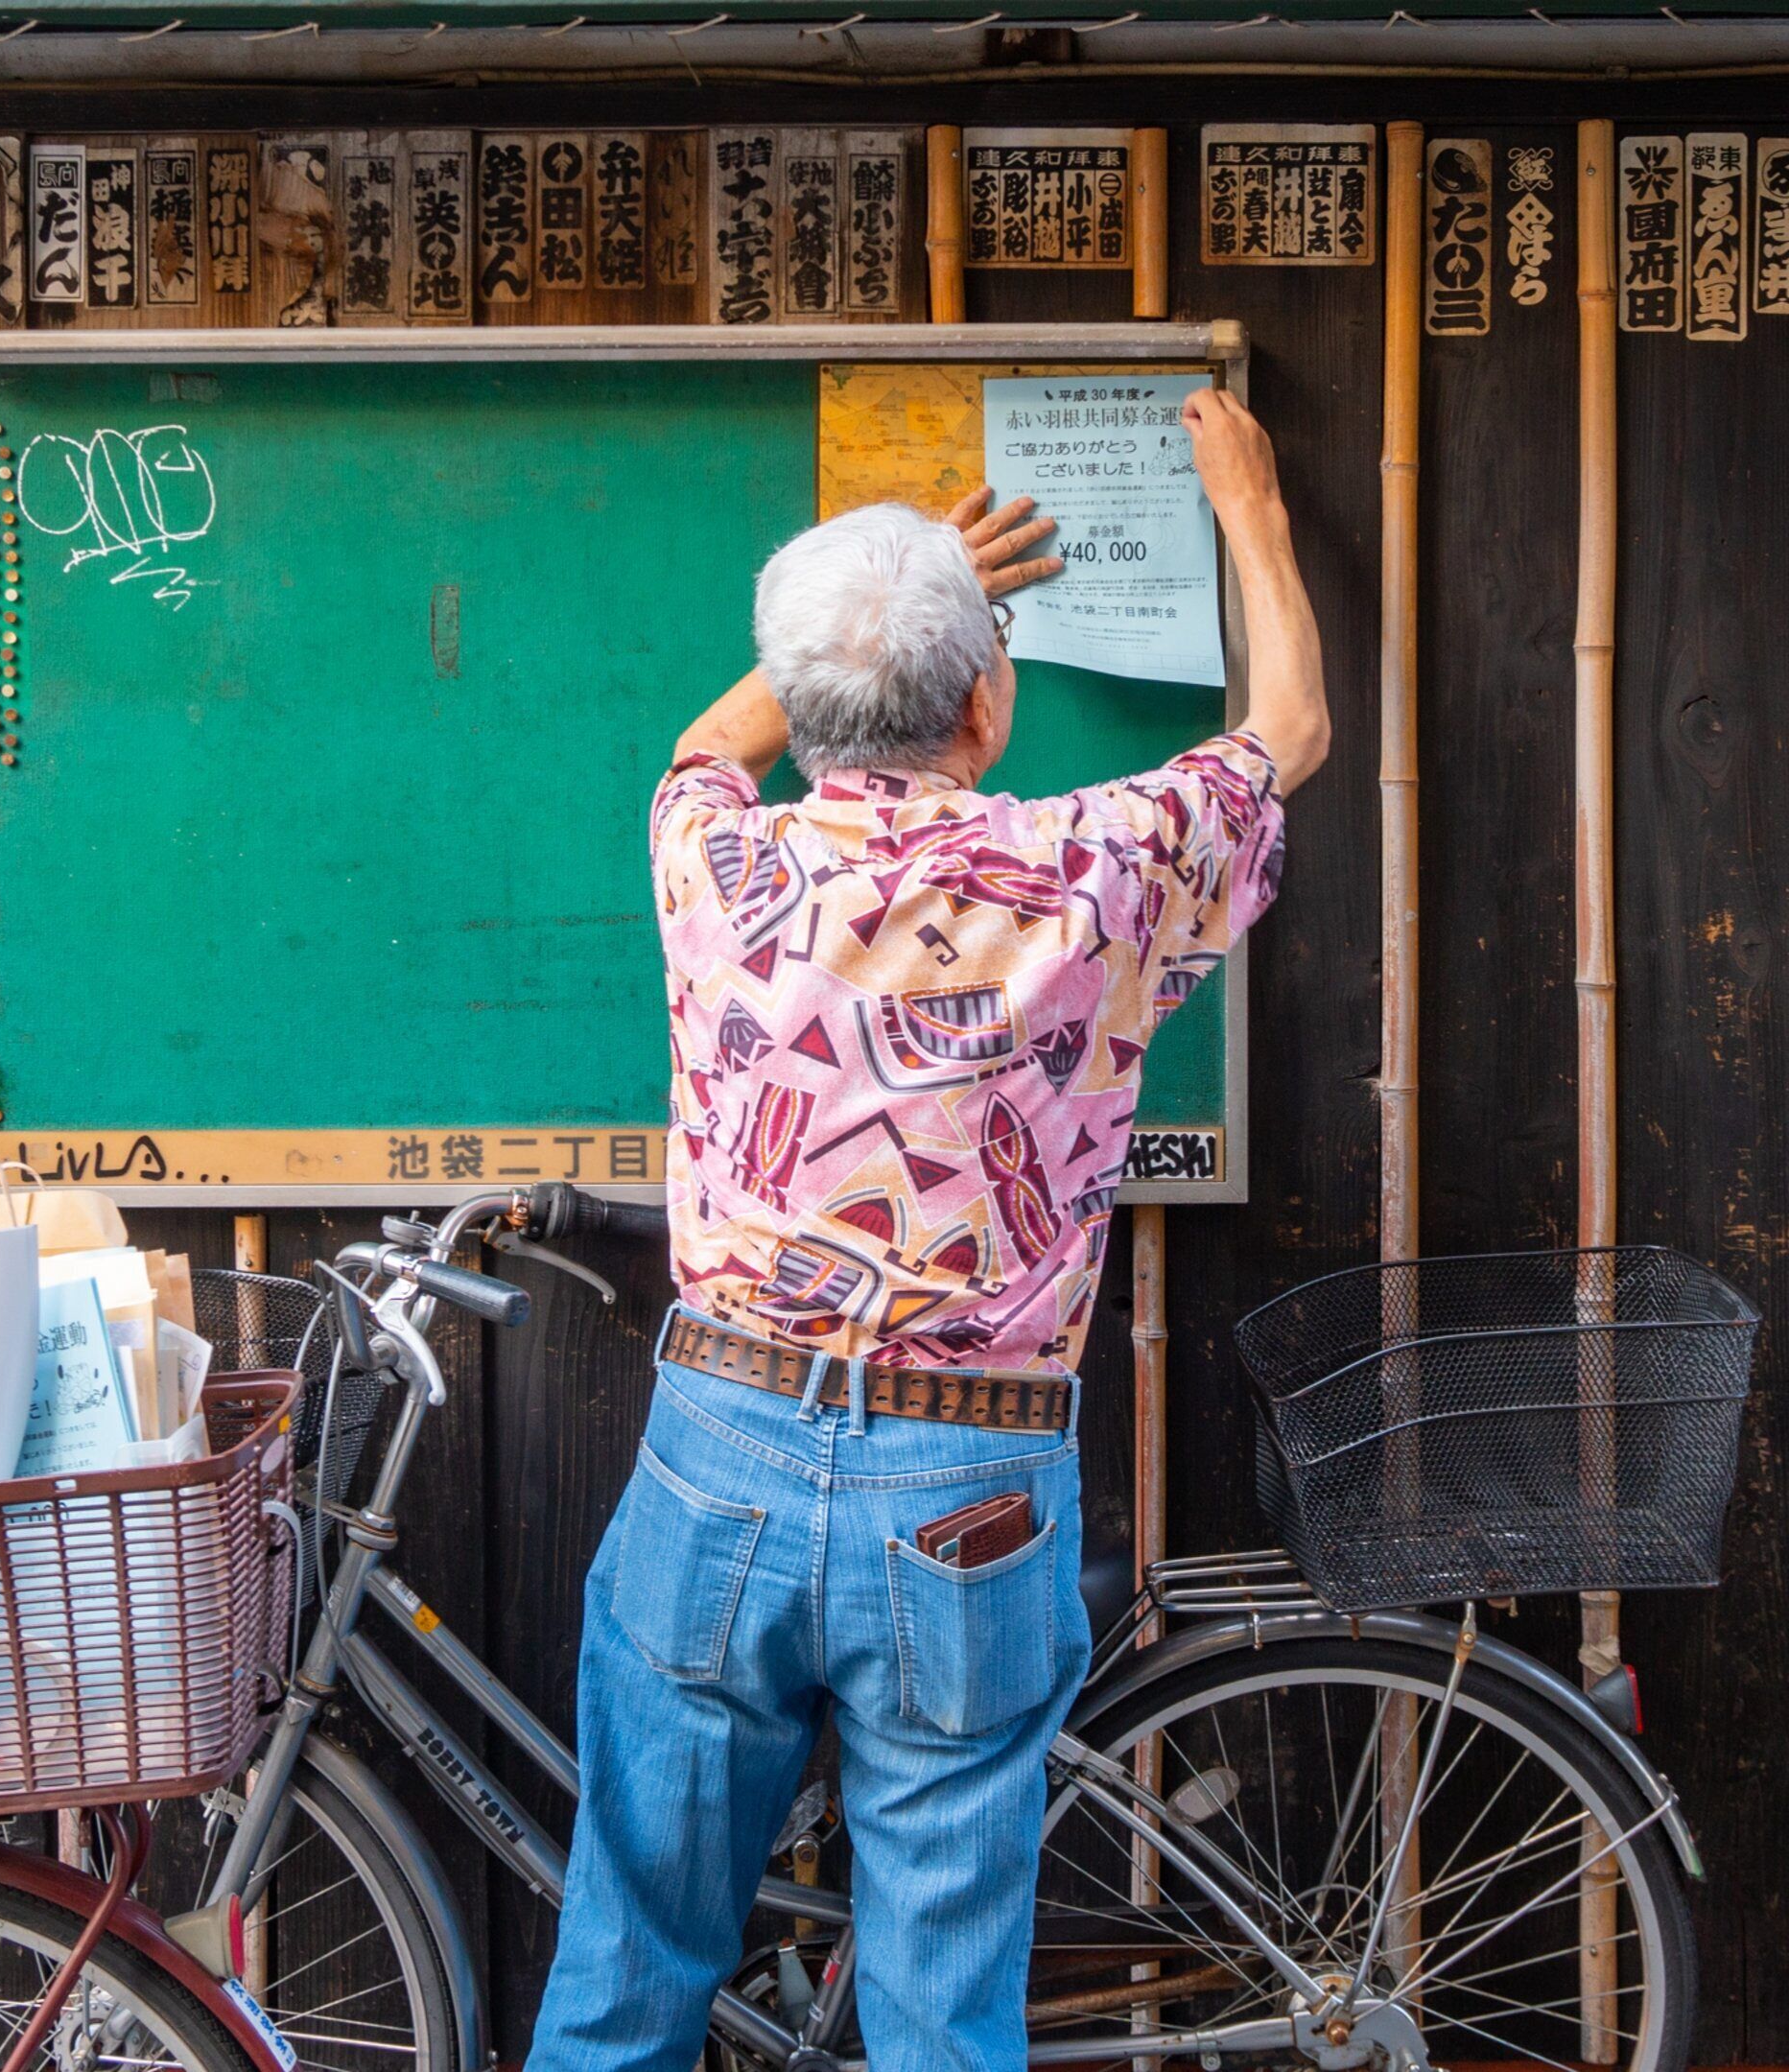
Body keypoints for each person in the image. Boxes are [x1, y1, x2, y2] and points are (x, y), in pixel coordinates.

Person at [529, 388, 1330, 2072]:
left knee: (629, 1971)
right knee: (944, 2013)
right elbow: (1292, 735)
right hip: (967, 1495)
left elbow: (701, 742)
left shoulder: (714, 867)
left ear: (815, 707)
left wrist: (904, 590)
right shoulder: (1093, 871)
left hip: (720, 1455)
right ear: (991, 701)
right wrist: (1247, 506)